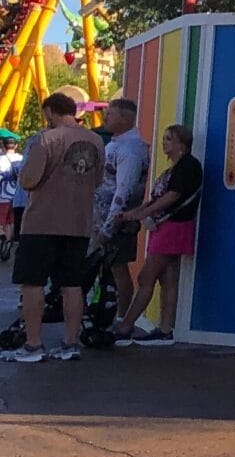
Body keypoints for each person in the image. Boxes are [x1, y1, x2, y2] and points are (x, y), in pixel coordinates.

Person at [11, 90, 105, 362]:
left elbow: (28, 180)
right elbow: (97, 180)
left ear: (50, 111)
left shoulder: (46, 139)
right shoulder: (96, 141)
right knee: (72, 284)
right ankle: (69, 343)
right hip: (78, 222)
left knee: (32, 283)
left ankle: (33, 343)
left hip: (42, 220)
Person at [112, 123, 201, 345]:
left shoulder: (187, 166)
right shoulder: (176, 167)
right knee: (167, 277)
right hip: (168, 226)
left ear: (182, 144)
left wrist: (143, 213)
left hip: (172, 226)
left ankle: (126, 326)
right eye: (164, 138)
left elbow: (171, 197)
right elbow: (159, 197)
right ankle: (164, 329)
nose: (164, 142)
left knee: (146, 276)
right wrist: (136, 212)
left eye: (169, 139)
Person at [92, 97, 149, 333]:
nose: (105, 119)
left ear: (125, 118)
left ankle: (122, 319)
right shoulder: (115, 144)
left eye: (110, 114)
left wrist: (108, 227)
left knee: (118, 269)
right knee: (106, 270)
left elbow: (123, 191)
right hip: (102, 218)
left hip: (117, 222)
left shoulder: (130, 150)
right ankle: (105, 313)